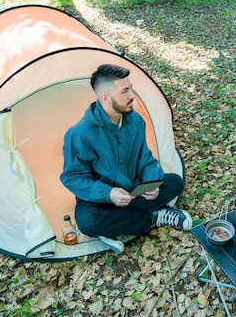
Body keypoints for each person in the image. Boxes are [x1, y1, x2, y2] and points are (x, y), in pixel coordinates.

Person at [61, 64, 191, 243]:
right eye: (124, 91)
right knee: (87, 222)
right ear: (105, 98)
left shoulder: (136, 121)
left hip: (132, 190)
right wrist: (108, 193)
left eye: (131, 88)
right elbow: (73, 177)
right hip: (98, 197)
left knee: (175, 182)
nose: (132, 96)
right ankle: (152, 218)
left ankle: (116, 224)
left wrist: (151, 182)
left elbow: (145, 158)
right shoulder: (79, 133)